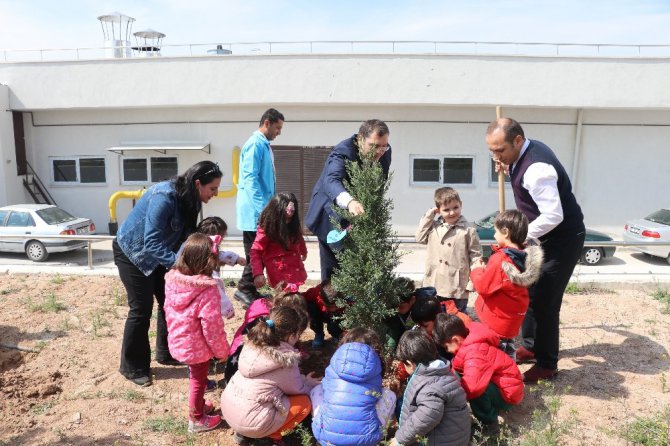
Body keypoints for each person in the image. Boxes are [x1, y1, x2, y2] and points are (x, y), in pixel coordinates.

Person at [486, 118, 585, 383]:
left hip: (562, 240)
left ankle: (547, 363)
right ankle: (531, 346)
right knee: (529, 292)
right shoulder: (523, 154)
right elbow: (527, 186)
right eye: (492, 151)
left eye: (500, 150)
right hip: (543, 240)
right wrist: (508, 166)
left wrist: (519, 237)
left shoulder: (536, 170)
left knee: (546, 303)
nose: (496, 156)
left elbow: (554, 215)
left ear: (518, 140)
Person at [113, 160, 222, 387]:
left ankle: (167, 352)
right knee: (141, 309)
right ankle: (132, 367)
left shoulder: (192, 200)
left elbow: (187, 236)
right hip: (133, 253)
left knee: (170, 302)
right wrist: (182, 266)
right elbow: (150, 241)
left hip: (162, 254)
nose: (216, 193)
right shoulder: (164, 196)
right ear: (198, 183)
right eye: (212, 189)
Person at [305, 119, 392, 281]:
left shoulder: (385, 152)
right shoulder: (343, 151)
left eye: (383, 146)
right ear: (360, 139)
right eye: (374, 146)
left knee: (361, 267)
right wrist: (350, 202)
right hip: (330, 213)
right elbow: (331, 181)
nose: (379, 151)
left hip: (359, 214)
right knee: (334, 270)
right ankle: (331, 303)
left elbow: (379, 184)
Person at [220, 306, 320, 445]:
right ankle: (271, 435)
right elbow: (298, 389)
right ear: (292, 336)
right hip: (253, 423)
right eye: (298, 334)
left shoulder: (252, 345)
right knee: (304, 403)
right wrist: (308, 383)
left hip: (229, 411)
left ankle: (243, 434)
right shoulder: (285, 360)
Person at [164, 233, 230, 433]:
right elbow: (212, 327)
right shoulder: (206, 290)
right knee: (198, 380)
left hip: (179, 339)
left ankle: (199, 406)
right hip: (197, 346)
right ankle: (196, 419)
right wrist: (222, 351)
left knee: (196, 377)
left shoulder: (175, 281)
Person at [433, 313, 524, 436]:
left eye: (446, 347)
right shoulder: (470, 340)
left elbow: (473, 388)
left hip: (509, 394)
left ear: (455, 339)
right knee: (465, 379)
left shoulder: (475, 352)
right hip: (505, 384)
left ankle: (489, 422)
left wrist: (453, 399)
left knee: (476, 392)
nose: (447, 351)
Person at [469, 210, 544, 358]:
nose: (494, 235)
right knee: (507, 348)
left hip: (496, 319)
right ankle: (510, 370)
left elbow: (483, 287)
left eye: (496, 231)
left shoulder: (500, 260)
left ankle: (502, 377)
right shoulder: (523, 257)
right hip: (511, 320)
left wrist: (477, 270)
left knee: (494, 355)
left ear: (505, 232)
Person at [311, 327, 396, 446]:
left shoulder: (337, 360)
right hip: (367, 438)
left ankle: (321, 424)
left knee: (317, 389)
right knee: (389, 395)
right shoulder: (375, 363)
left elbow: (327, 385)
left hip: (325, 436)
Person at [235, 108, 285, 306]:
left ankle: (249, 290)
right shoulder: (256, 144)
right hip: (255, 212)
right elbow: (250, 180)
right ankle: (244, 289)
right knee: (256, 252)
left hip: (261, 211)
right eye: (277, 127)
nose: (279, 132)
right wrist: (264, 210)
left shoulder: (264, 145)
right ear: (267, 123)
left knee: (261, 251)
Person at [391, 330, 471, 446]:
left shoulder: (430, 387)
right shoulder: (440, 370)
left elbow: (427, 416)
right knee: (401, 403)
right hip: (452, 435)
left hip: (442, 442)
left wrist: (400, 439)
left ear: (410, 363)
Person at [415, 187, 483, 314]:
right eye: (446, 210)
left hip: (457, 286)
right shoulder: (434, 227)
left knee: (456, 320)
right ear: (438, 210)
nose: (452, 213)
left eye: (455, 207)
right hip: (435, 282)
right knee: (434, 319)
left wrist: (471, 284)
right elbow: (419, 238)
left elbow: (476, 257)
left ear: (461, 205)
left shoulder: (469, 230)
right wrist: (429, 216)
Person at [250, 192, 307, 290]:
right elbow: (255, 251)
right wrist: (258, 273)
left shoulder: (293, 225)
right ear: (275, 213)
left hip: (294, 266)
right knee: (284, 297)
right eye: (284, 217)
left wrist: (303, 251)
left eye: (291, 218)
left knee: (293, 296)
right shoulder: (267, 228)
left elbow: (299, 238)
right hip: (279, 272)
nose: (288, 221)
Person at [303, 279, 344, 348]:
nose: (332, 309)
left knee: (333, 327)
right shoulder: (314, 293)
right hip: (320, 314)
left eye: (335, 306)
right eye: (329, 306)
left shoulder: (347, 298)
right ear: (320, 296)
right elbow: (301, 299)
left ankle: (337, 335)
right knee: (311, 306)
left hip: (337, 317)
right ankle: (319, 333)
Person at [384, 276, 418, 352]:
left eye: (401, 307)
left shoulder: (419, 310)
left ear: (412, 300)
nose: (397, 309)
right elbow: (392, 336)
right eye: (395, 306)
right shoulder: (392, 313)